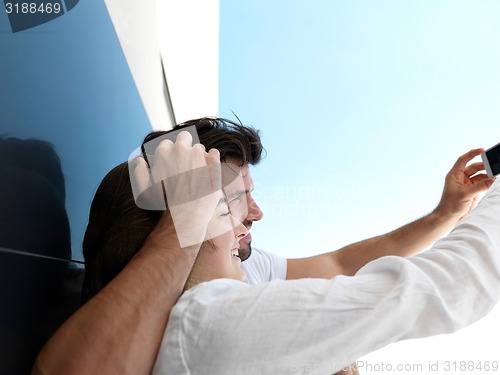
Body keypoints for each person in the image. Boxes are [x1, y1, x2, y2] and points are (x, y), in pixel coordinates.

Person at [32, 118, 495, 374]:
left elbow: (338, 263)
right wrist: (183, 224)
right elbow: (451, 283)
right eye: (234, 200)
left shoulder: (235, 273)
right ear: (180, 217)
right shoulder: (207, 316)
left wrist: (445, 215)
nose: (257, 214)